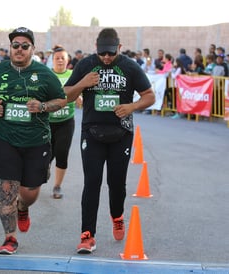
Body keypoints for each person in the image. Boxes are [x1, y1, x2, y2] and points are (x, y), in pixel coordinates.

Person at [64, 28, 155, 254]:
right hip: (91, 132)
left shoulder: (130, 66)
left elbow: (150, 96)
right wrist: (82, 83)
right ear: (96, 48)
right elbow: (65, 95)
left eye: (111, 53)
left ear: (119, 48)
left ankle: (117, 215)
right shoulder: (85, 65)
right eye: (102, 53)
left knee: (116, 183)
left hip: (121, 134)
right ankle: (87, 235)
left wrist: (132, 107)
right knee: (92, 182)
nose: (106, 58)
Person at [0, 27, 66, 255]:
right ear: (10, 48)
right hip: (3, 138)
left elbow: (62, 100)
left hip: (36, 141)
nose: (19, 49)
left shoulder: (45, 74)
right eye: (15, 45)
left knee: (29, 191)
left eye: (24, 46)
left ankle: (23, 208)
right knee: (7, 188)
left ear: (32, 49)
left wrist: (43, 106)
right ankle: (10, 238)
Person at [48, 45, 79, 199]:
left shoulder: (73, 75)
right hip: (47, 122)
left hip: (66, 121)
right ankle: (45, 168)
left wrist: (80, 98)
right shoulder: (47, 75)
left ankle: (57, 186)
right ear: (52, 61)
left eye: (62, 58)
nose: (60, 61)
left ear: (67, 61)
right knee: (45, 154)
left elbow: (80, 92)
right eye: (57, 58)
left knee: (61, 153)